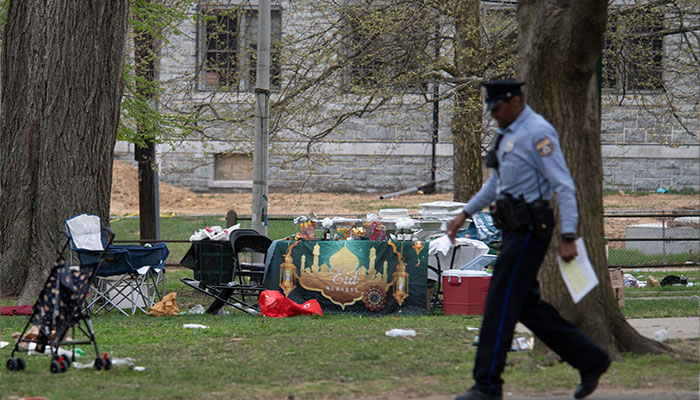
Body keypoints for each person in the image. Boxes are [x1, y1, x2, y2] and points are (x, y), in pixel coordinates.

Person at [446, 79, 611, 400]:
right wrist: (465, 213)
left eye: (497, 108)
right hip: (512, 228)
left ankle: (487, 386)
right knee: (526, 306)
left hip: (530, 229)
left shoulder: (538, 132)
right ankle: (592, 359)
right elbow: (496, 185)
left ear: (516, 101)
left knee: (499, 302)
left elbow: (563, 185)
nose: (493, 115)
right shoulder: (508, 132)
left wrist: (568, 236)